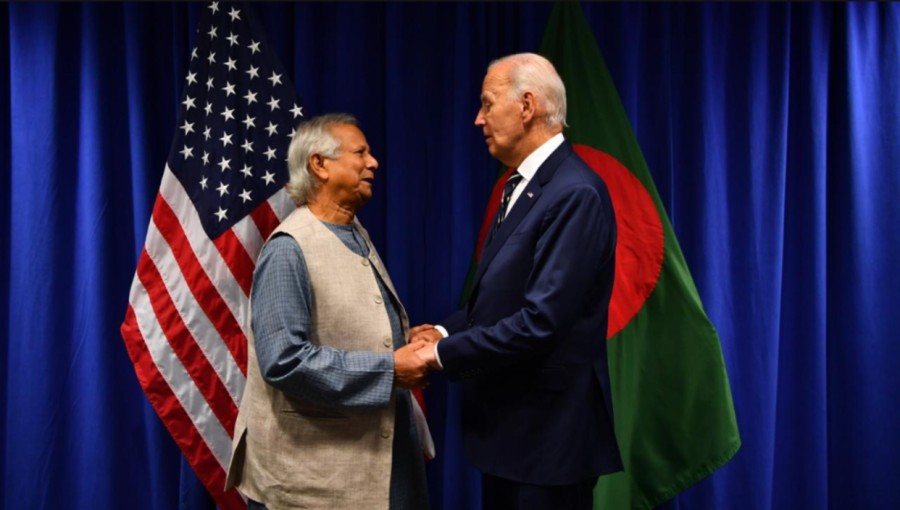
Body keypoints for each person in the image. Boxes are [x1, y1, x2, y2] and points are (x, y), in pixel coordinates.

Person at [412, 53, 623, 509]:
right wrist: (444, 330)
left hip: (548, 447)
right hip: (513, 440)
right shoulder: (523, 185)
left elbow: (540, 322)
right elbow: (498, 301)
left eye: (487, 105)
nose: (478, 119)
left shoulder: (574, 192)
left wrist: (438, 356)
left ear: (527, 106)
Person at [225, 113, 432, 510]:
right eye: (360, 152)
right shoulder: (289, 248)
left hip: (374, 465)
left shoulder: (355, 233)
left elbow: (349, 325)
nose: (373, 162)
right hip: (315, 482)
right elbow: (284, 361)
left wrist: (407, 343)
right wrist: (391, 369)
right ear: (319, 164)